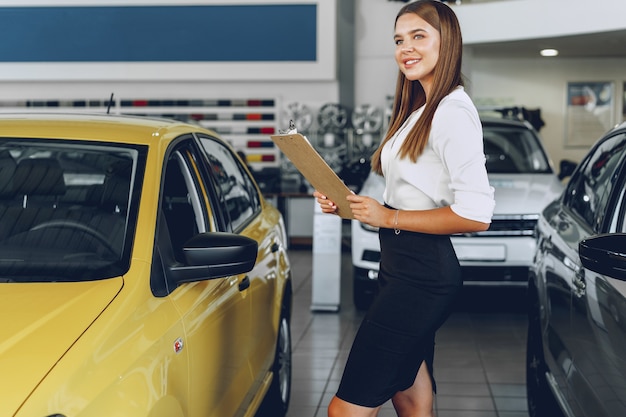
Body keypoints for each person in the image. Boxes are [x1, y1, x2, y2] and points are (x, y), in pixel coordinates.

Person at [313, 1, 495, 416]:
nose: (405, 48)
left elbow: (477, 214)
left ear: (446, 42)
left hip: (421, 276)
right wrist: (346, 206)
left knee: (345, 410)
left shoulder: (452, 113)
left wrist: (387, 217)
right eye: (399, 39)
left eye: (418, 36)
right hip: (401, 266)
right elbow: (407, 194)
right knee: (411, 397)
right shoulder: (420, 110)